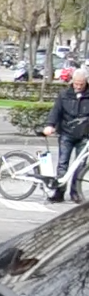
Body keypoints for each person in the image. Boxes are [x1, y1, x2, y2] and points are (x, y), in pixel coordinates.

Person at [43, 68, 88, 203]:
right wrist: (50, 125)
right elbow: (56, 111)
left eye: (81, 84)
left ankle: (75, 192)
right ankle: (59, 192)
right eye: (76, 83)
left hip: (84, 135)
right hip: (67, 133)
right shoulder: (64, 94)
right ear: (72, 82)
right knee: (63, 164)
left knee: (80, 165)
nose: (78, 86)